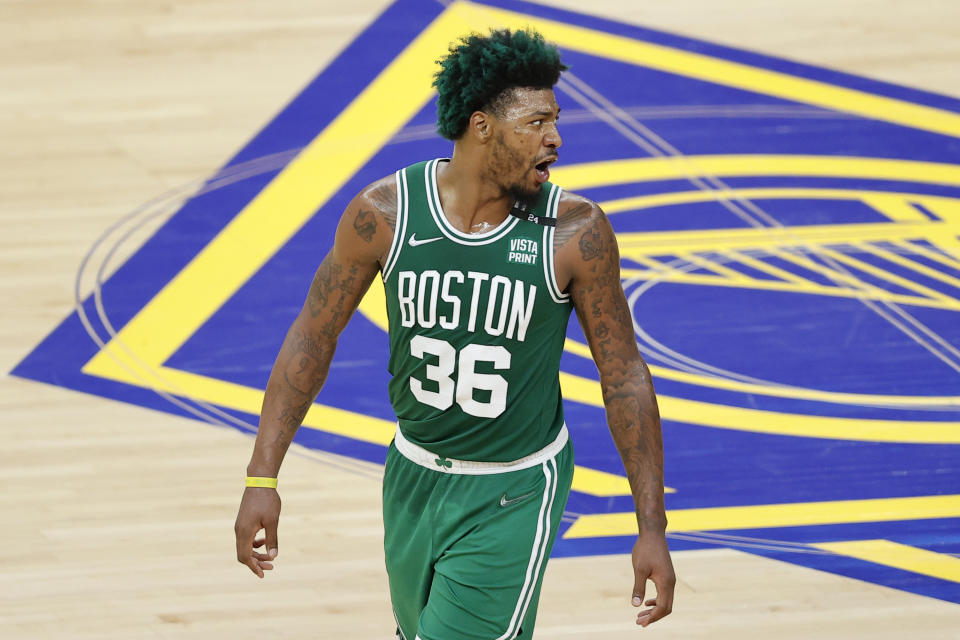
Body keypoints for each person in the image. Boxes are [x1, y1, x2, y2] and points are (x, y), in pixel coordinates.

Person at [235, 28, 674, 639]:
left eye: (557, 120)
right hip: (412, 478)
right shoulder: (385, 214)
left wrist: (651, 525)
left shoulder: (574, 232)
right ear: (482, 126)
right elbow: (312, 337)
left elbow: (623, 375)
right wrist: (262, 477)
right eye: (538, 122)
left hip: (512, 490)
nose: (556, 139)